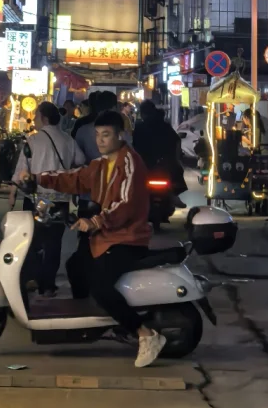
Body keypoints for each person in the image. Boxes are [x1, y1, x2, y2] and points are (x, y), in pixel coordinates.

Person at [35, 109, 166, 369]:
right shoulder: (101, 164)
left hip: (126, 238)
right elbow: (75, 178)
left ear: (120, 135)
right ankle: (93, 322)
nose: (100, 140)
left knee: (101, 287)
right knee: (75, 266)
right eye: (97, 135)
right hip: (105, 236)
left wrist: (96, 221)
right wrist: (39, 179)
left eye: (106, 135)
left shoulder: (130, 163)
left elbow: (125, 204)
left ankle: (146, 334)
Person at [8, 102, 84, 293]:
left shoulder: (32, 141)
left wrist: (12, 193)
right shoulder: (68, 140)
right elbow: (81, 162)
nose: (34, 119)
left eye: (37, 116)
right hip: (60, 199)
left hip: (36, 199)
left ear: (44, 118)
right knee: (53, 242)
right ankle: (48, 284)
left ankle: (33, 278)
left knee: (32, 239)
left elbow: (20, 172)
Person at [131, 100, 186, 194]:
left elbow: (134, 145)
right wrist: (176, 157)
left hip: (145, 164)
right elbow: (176, 140)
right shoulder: (164, 125)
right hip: (164, 163)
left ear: (142, 113)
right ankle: (175, 196)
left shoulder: (139, 127)